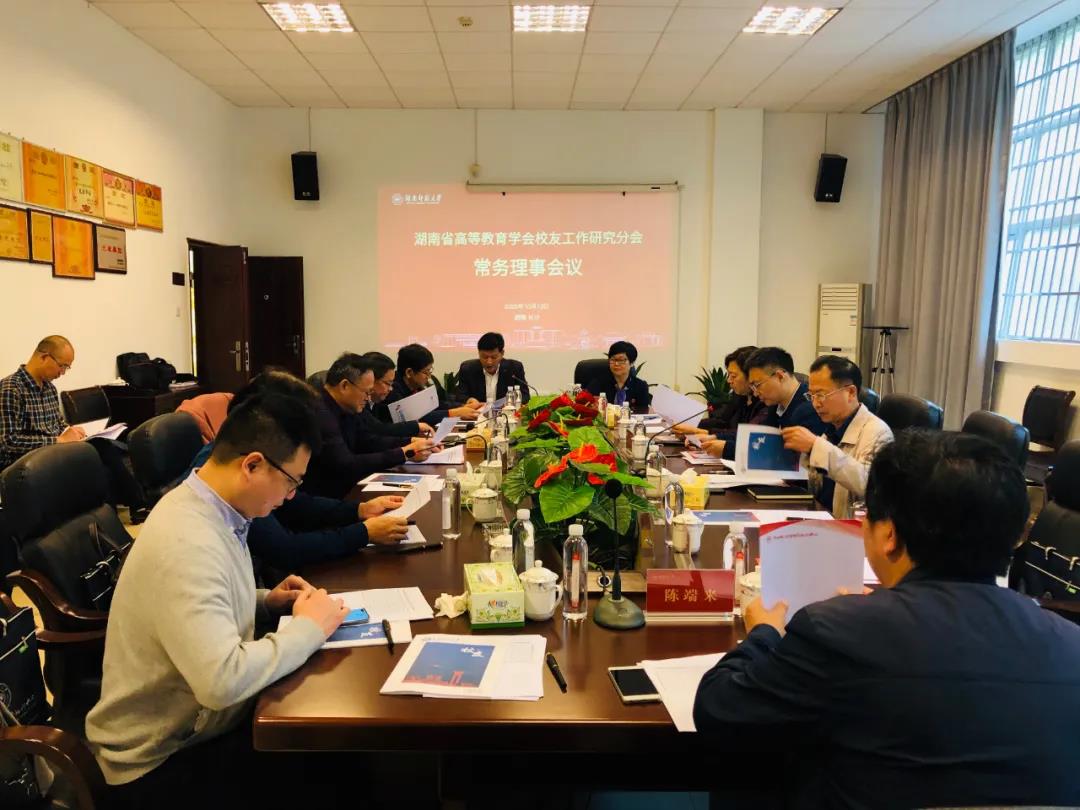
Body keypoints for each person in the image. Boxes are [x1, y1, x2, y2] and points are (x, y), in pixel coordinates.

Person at [693, 430, 1080, 809]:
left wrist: (763, 632)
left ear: (889, 534)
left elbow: (719, 709)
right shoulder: (1071, 645)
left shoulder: (837, 631)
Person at [85, 393, 351, 808]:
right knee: (336, 763)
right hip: (161, 759)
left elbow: (206, 602)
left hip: (203, 725)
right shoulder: (187, 540)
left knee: (334, 750)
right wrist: (309, 629)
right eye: (292, 481)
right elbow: (222, 682)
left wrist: (266, 601)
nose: (292, 496)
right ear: (252, 465)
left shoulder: (215, 509)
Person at [186, 370, 409, 581]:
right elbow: (283, 549)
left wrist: (359, 510)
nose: (290, 494)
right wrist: (363, 533)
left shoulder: (243, 465)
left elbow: (295, 505)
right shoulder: (226, 495)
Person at [0, 335, 144, 510]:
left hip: (53, 452)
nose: (62, 373)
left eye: (66, 368)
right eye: (62, 366)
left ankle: (134, 505)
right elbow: (8, 442)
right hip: (26, 463)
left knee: (102, 446)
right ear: (44, 357)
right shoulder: (10, 389)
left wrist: (72, 431)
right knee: (95, 465)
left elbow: (57, 424)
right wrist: (57, 441)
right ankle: (135, 505)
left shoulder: (49, 388)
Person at [304, 353, 434, 499]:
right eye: (366, 392)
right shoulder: (320, 412)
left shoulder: (347, 405)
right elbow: (345, 464)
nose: (368, 397)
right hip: (327, 497)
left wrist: (409, 443)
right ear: (345, 386)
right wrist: (404, 453)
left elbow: (368, 440)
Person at [780, 355, 893, 517]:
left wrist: (815, 446)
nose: (816, 404)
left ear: (851, 392)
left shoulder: (877, 432)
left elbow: (869, 485)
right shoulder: (832, 428)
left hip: (850, 527)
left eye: (821, 395)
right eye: (811, 396)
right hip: (820, 518)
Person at [701, 346, 826, 460]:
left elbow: (784, 456)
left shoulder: (808, 408)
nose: (755, 393)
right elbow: (758, 437)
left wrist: (726, 449)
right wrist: (716, 438)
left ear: (780, 376)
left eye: (757, 385)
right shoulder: (775, 405)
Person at [676, 345, 767, 438]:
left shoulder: (765, 400)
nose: (728, 380)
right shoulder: (738, 396)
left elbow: (747, 434)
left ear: (751, 375)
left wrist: (701, 432)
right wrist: (691, 424)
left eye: (733, 376)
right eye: (728, 375)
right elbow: (722, 422)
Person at [380, 343, 481, 424]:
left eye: (430, 370)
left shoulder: (416, 386)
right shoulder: (392, 390)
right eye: (426, 372)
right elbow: (417, 417)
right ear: (409, 372)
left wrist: (463, 405)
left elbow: (434, 405)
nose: (429, 376)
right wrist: (454, 413)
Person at [359, 351, 432, 445]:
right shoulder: (359, 405)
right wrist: (414, 432)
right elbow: (378, 430)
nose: (390, 389)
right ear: (370, 380)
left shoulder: (375, 402)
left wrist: (411, 440)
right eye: (387, 383)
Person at [454, 332, 531, 405]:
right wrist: (468, 400)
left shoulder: (514, 368)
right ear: (479, 353)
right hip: (477, 413)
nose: (489, 362)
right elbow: (460, 396)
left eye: (493, 357)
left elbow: (525, 396)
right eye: (484, 357)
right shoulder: (468, 369)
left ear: (502, 353)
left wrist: (510, 402)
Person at [585, 340, 652, 413]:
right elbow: (586, 407)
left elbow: (643, 413)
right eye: (613, 359)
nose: (616, 364)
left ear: (632, 363)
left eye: (621, 360)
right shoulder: (597, 384)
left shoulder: (641, 386)